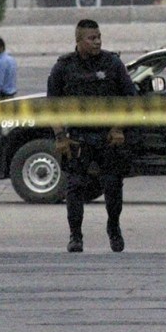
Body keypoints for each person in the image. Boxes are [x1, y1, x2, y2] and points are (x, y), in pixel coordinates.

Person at [47, 19, 137, 253]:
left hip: (108, 135)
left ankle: (114, 227)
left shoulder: (113, 63)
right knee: (75, 187)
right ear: (79, 40)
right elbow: (52, 106)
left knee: (113, 185)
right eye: (92, 38)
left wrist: (118, 128)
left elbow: (131, 100)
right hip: (78, 137)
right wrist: (59, 136)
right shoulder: (64, 67)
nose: (97, 41)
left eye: (99, 37)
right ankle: (75, 236)